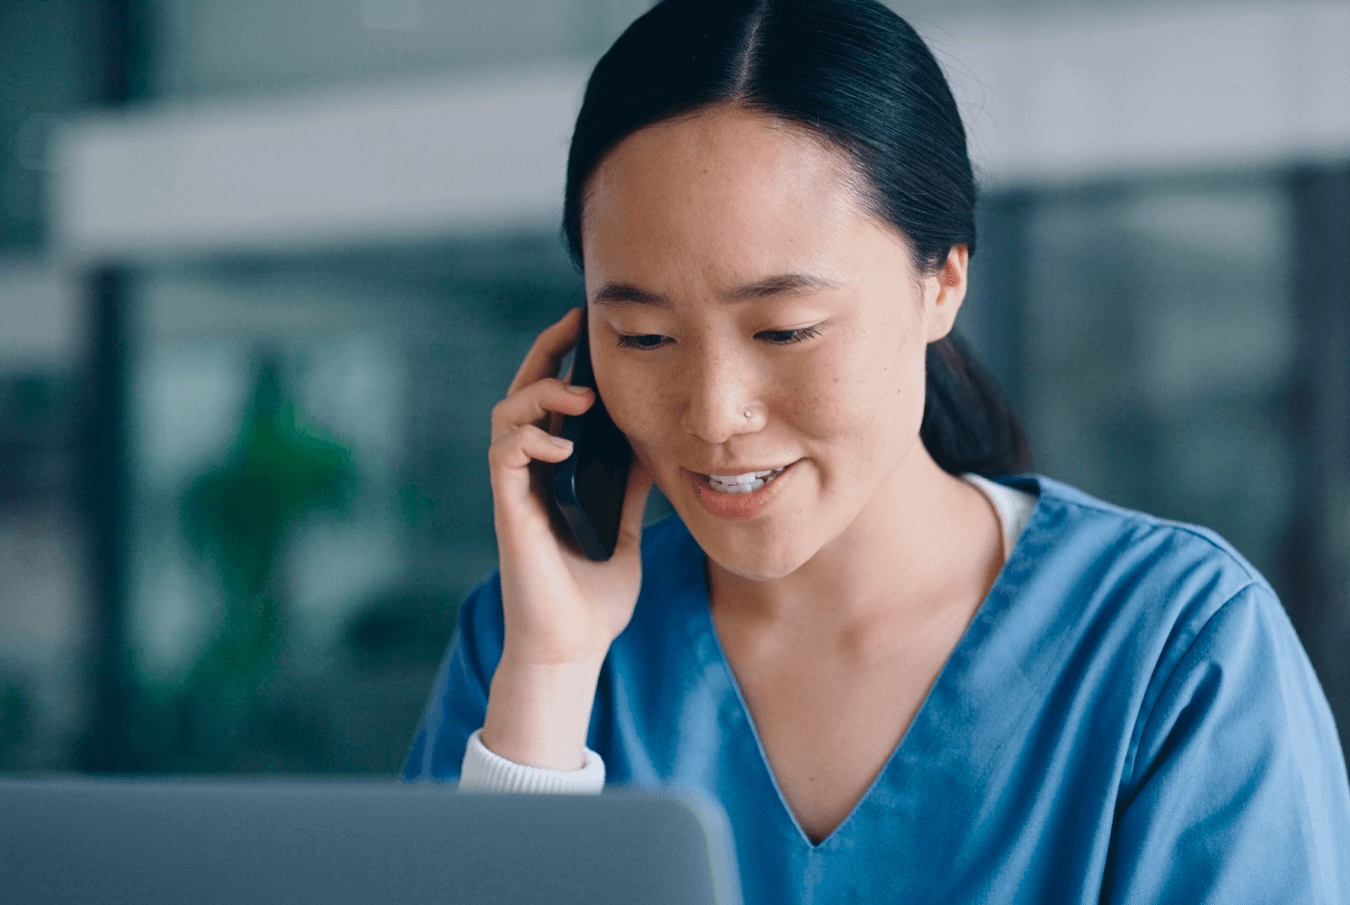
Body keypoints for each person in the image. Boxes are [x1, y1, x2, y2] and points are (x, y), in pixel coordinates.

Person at [403, 0, 1350, 900]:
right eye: (645, 339)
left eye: (785, 329)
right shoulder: (528, 641)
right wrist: (554, 678)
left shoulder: (1175, 648)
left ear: (942, 283)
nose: (715, 413)